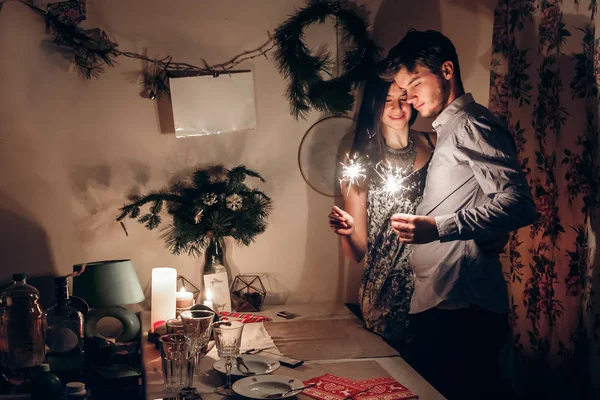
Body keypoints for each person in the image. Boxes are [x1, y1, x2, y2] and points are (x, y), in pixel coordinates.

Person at [378, 29, 537, 400]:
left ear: (446, 70)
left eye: (415, 84)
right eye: (404, 90)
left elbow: (519, 202)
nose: (410, 97)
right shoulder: (448, 130)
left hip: (462, 309)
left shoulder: (471, 124)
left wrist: (438, 228)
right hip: (442, 304)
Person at [328, 77, 435, 354]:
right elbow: (357, 252)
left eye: (403, 97)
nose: (397, 107)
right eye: (387, 100)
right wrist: (347, 231)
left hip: (435, 289)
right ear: (375, 105)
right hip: (386, 296)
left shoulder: (435, 145)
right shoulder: (360, 162)